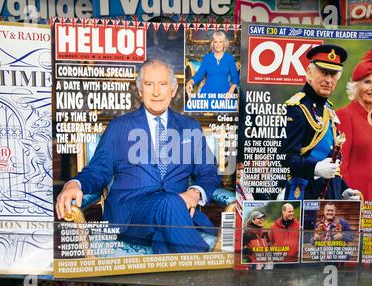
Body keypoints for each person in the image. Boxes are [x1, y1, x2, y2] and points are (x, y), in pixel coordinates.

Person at [56, 58, 221, 254]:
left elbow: (209, 172)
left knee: (164, 233)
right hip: (131, 215)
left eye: (163, 84)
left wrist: (194, 193)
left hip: (176, 215)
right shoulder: (119, 127)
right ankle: (202, 265)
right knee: (170, 202)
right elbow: (98, 170)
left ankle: (173, 281)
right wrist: (74, 184)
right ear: (140, 90)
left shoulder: (189, 127)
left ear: (173, 90)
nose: (157, 92)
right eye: (149, 84)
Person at [281, 44, 361, 201]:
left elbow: (331, 160)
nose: (329, 80)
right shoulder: (296, 109)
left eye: (333, 75)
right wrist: (315, 168)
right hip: (303, 195)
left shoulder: (328, 109)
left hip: (329, 195)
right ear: (309, 73)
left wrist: (343, 189)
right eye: (324, 73)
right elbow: (285, 158)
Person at [336, 48, 372, 230]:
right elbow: (341, 163)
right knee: (358, 253)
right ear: (356, 86)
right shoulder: (345, 115)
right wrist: (347, 198)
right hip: (358, 197)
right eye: (367, 82)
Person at [185, 31, 239, 99]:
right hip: (207, 94)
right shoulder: (207, 58)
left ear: (224, 43)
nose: (218, 44)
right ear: (213, 44)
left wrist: (231, 90)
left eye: (220, 42)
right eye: (215, 42)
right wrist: (190, 82)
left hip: (225, 94)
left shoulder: (229, 58)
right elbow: (199, 75)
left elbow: (235, 77)